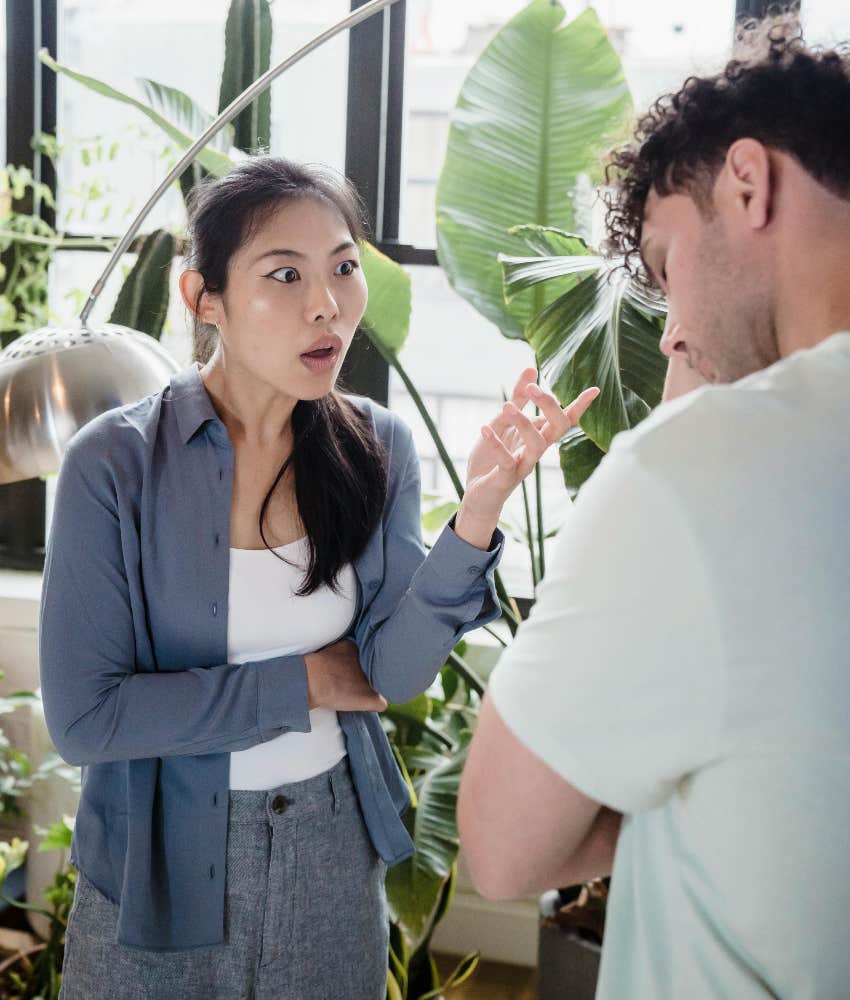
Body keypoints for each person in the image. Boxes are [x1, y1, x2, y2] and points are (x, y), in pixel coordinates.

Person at [39, 155, 598, 1000]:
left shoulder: (375, 446)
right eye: (285, 275)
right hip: (155, 866)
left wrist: (478, 511)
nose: (326, 303)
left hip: (329, 854)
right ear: (204, 300)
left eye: (343, 267)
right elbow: (86, 719)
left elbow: (390, 674)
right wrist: (300, 683)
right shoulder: (114, 464)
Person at [458, 27, 850, 1000]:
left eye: (669, 265)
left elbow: (501, 852)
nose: (670, 326)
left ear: (747, 183)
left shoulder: (691, 473)